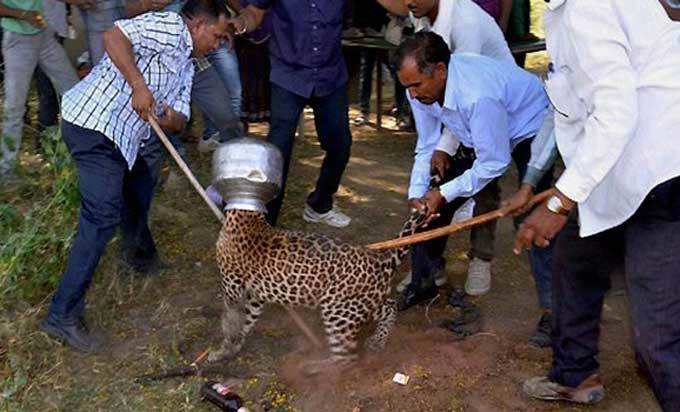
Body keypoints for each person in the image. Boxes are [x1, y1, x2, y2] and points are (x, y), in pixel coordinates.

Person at [39, 0, 229, 353]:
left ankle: (138, 257)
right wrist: (138, 84)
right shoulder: (169, 27)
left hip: (122, 139)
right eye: (217, 35)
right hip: (92, 125)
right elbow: (114, 36)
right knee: (102, 215)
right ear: (198, 24)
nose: (218, 44)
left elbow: (180, 120)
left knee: (140, 187)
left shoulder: (188, 66)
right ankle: (61, 315)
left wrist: (160, 109)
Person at [518, 0, 680, 408]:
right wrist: (550, 185)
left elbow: (616, 111)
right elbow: (574, 111)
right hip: (614, 168)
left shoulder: (587, 8)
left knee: (658, 339)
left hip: (661, 172)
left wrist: (559, 201)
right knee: (575, 260)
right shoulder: (567, 11)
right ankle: (576, 375)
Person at [393, 33, 554, 334]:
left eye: (416, 86)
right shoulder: (418, 87)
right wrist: (418, 193)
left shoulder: (477, 96)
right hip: (477, 127)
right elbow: (427, 142)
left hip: (529, 124)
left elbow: (494, 161)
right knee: (429, 209)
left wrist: (443, 191)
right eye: (407, 87)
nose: (411, 96)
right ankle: (423, 283)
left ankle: (554, 312)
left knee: (534, 217)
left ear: (440, 70)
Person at [377, 0, 517, 296]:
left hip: (495, 110)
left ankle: (481, 259)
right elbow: (429, 136)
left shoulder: (465, 22)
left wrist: (445, 146)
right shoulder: (423, 20)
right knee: (433, 187)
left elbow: (467, 93)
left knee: (484, 188)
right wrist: (417, 192)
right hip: (458, 112)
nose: (408, 2)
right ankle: (427, 271)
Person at [229, 0, 353, 228]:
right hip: (288, 75)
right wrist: (240, 24)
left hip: (330, 74)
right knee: (278, 151)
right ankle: (266, 224)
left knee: (340, 145)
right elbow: (255, 12)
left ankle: (320, 204)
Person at [0, 0, 79, 179]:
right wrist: (24, 15)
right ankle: (6, 170)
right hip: (18, 38)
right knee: (14, 107)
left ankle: (81, 154)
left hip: (43, 34)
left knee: (75, 92)